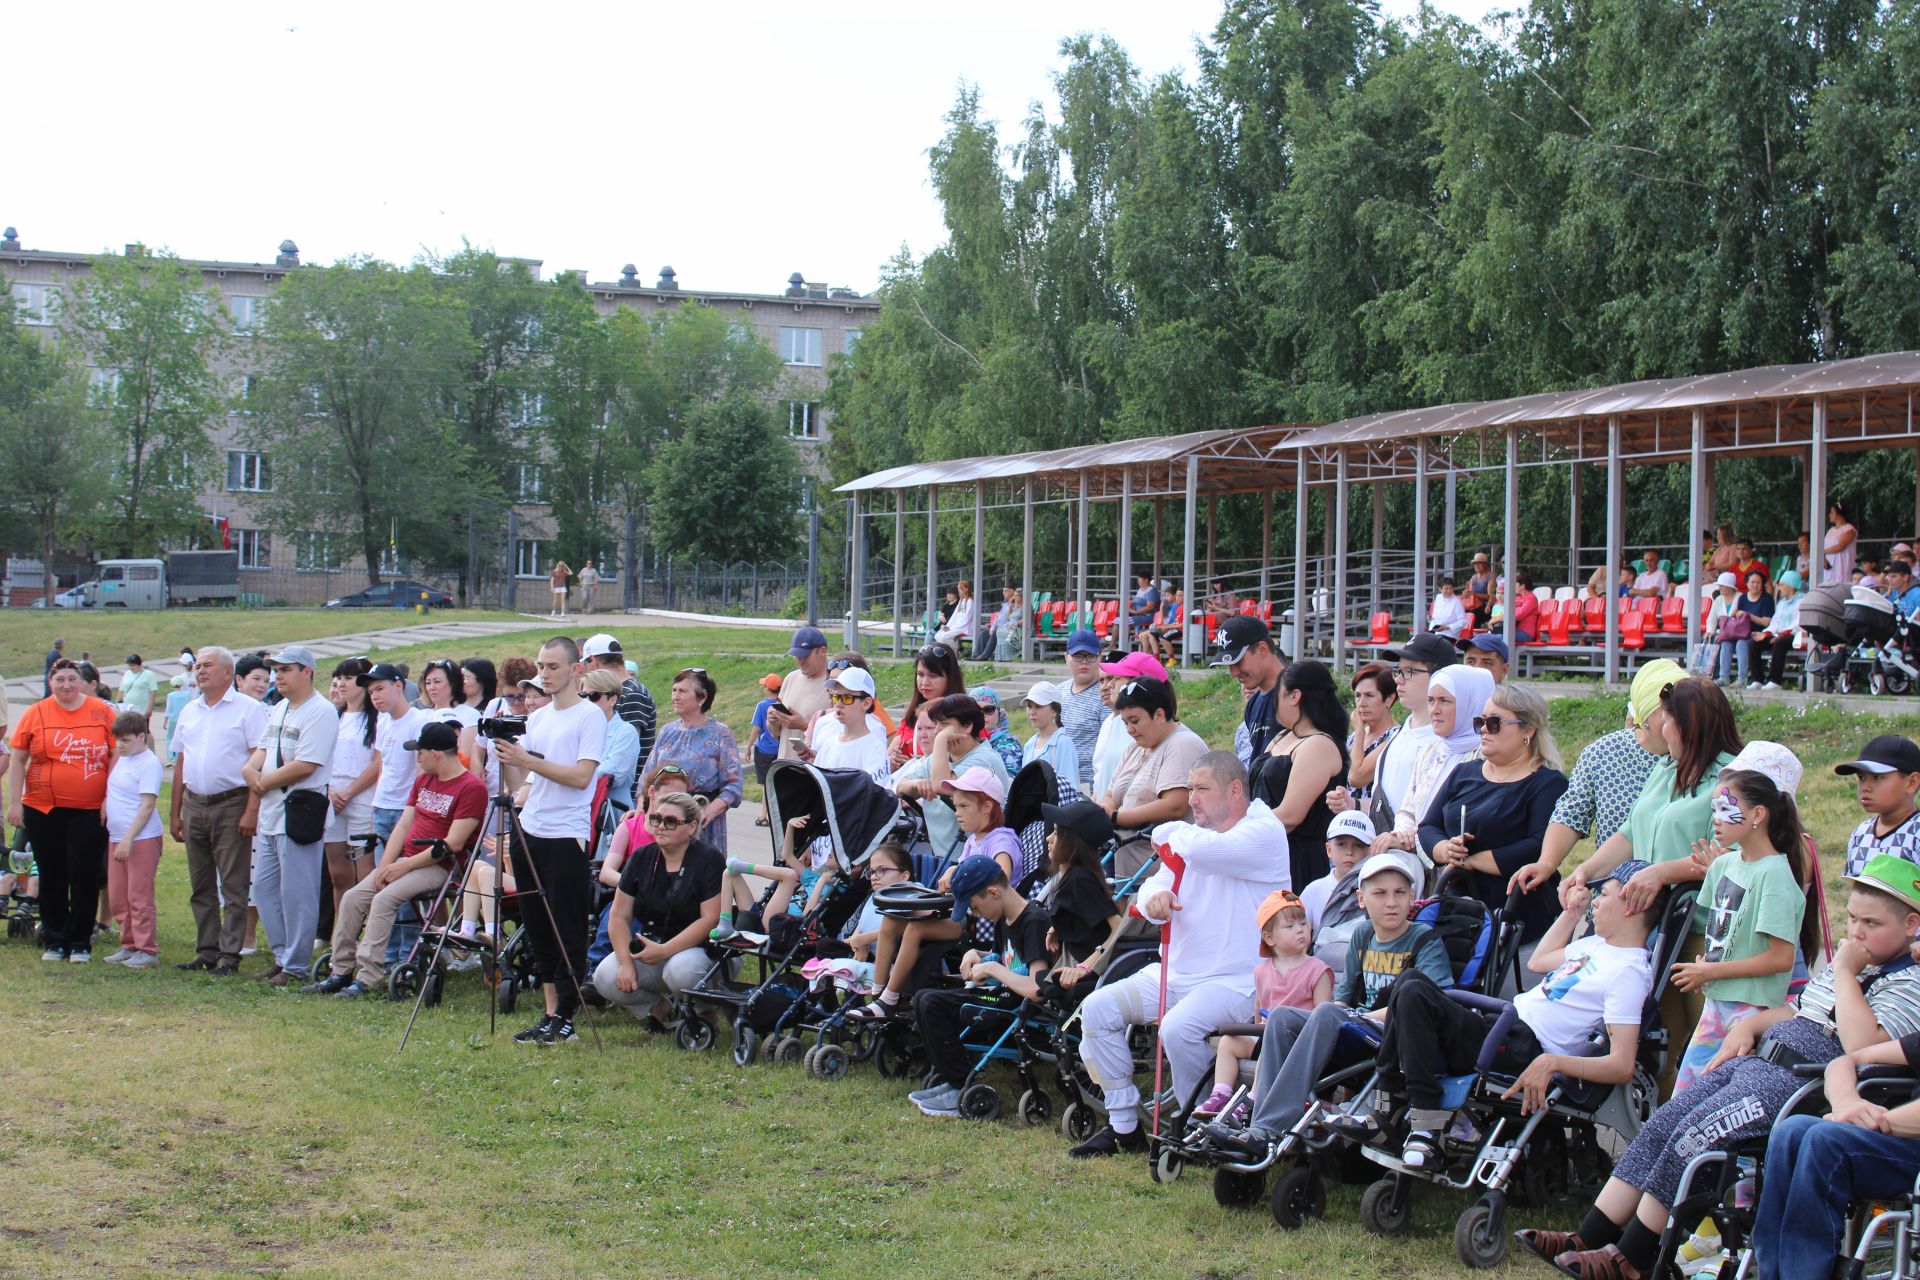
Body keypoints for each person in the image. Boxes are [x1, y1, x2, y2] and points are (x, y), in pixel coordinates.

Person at [1519, 860, 1920, 1280]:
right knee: (1666, 1123)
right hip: (1764, 1056)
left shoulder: (1904, 981)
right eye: (1853, 919)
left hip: (1804, 1080)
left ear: (1912, 924)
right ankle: (1590, 1234)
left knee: (1697, 1135)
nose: (1856, 932)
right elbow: (1801, 1010)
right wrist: (1749, 1024)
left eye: (1871, 923)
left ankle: (1633, 1256)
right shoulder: (1858, 967)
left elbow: (1860, 1045)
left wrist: (1843, 971)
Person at [1372, 860, 1657, 1173]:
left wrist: (1554, 1062)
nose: (1596, 902)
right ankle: (1390, 1107)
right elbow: (1538, 962)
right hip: (1504, 1028)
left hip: (1525, 1047)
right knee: (1407, 984)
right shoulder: (1596, 945)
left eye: (1604, 895)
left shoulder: (1629, 972)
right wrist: (1572, 914)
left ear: (1631, 905)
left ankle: (1420, 1125)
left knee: (1413, 989)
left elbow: (1621, 1064)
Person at [1071, 752, 1289, 1157]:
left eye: (1201, 789)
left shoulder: (1264, 832)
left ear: (1235, 790)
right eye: (1189, 789)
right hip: (1175, 973)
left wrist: (1168, 831)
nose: (1192, 800)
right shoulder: (1196, 836)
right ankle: (1124, 1126)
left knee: (1177, 1028)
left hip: (1237, 982)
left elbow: (1197, 847)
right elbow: (1157, 881)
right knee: (1097, 1008)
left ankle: (1197, 1128)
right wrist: (1158, 897)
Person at [1203, 851, 1454, 1163]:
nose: (1392, 902)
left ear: (1412, 897)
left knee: (1327, 1012)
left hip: (1394, 1032)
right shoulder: (1363, 935)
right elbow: (1343, 996)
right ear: (1362, 899)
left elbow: (1431, 1005)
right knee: (1281, 1016)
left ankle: (1268, 1129)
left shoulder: (1423, 940)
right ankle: (1258, 1126)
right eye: (1381, 893)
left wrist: (1348, 1015)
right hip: (1355, 1024)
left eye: (1400, 893)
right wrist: (1342, 1015)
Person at [1560, 671, 1742, 1096]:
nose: (1659, 724)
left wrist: (1662, 872)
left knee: (1706, 1039)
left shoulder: (1729, 777)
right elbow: (1628, 832)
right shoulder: (1665, 768)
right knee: (1660, 1036)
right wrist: (1586, 871)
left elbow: (1730, 855)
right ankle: (1659, 1132)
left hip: (1703, 930)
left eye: (1666, 716)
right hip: (1655, 928)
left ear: (1689, 723)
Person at [301, 721, 487, 998]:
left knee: (384, 899)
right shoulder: (424, 780)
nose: (417, 758)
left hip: (442, 866)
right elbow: (403, 825)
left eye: (420, 752)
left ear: (435, 753)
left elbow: (453, 843)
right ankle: (340, 970)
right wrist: (385, 866)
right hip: (406, 861)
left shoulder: (471, 788)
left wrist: (403, 865)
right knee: (353, 897)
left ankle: (368, 977)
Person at [1667, 764, 1812, 1090]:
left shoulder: (1773, 876)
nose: (1715, 818)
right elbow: (1722, 935)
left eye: (1725, 809)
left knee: (1717, 1100)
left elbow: (1780, 958)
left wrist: (1712, 972)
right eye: (1713, 810)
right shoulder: (1723, 866)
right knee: (1684, 1096)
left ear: (1758, 814)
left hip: (1751, 1010)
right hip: (1717, 1004)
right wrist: (1707, 965)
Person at [492, 637, 605, 1045]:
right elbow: (525, 781)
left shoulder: (589, 717)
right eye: (541, 666)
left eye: (553, 666)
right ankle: (549, 1011)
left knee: (565, 925)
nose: (544, 674)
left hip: (565, 833)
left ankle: (568, 1017)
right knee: (535, 923)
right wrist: (508, 758)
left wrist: (527, 761)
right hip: (531, 827)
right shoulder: (538, 719)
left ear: (576, 670)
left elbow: (580, 777)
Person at [1756, 1000, 1920, 1280]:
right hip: (1898, 1140)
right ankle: (1770, 1273)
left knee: (1825, 1139)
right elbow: (1847, 1060)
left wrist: (1868, 1123)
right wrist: (1846, 1103)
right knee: (1791, 1131)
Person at [1421, 683, 1569, 978]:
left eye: (1494, 723)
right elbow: (1429, 825)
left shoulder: (1548, 783)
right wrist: (1444, 849)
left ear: (1528, 731)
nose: (1484, 730)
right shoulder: (1465, 772)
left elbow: (1541, 845)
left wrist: (1473, 861)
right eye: (1480, 722)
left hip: (1517, 915)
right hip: (1457, 911)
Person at [853, 765, 1020, 1022]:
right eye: (956, 807)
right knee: (893, 916)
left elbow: (1001, 878)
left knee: (916, 928)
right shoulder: (975, 840)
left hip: (982, 920)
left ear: (987, 807)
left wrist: (957, 873)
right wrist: (955, 869)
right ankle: (879, 994)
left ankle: (890, 998)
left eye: (964, 807)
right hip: (962, 913)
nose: (957, 814)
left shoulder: (1001, 840)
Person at [906, 856, 1055, 1117]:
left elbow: (1037, 988)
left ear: (993, 892)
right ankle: (949, 1078)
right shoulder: (1005, 920)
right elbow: (1005, 958)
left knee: (932, 1003)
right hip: (1000, 994)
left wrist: (994, 969)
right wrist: (978, 955)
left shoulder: (1034, 921)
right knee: (923, 998)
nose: (975, 914)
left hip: (1018, 1005)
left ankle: (960, 1084)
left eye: (974, 906)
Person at [1508, 671, 1663, 901]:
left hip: (1675, 900)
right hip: (1613, 898)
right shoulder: (1605, 752)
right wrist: (1547, 863)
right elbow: (1571, 813)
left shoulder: (1697, 757)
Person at [168, 647, 269, 974]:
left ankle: (229, 954)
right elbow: (181, 762)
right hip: (195, 803)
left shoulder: (249, 710)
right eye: (197, 666)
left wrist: (252, 809)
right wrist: (175, 811)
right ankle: (206, 950)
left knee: (234, 883)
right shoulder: (190, 710)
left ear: (228, 673)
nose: (199, 671)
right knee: (201, 883)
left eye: (207, 665)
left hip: (232, 802)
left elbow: (260, 761)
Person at [1192, 890, 1334, 1120]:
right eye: (1290, 926)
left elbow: (1324, 1016)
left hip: (1299, 1042)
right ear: (1269, 938)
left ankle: (1254, 1099)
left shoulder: (1317, 970)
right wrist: (1257, 1028)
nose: (1300, 929)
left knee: (1268, 1044)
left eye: (1303, 922)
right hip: (1266, 1033)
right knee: (1228, 1043)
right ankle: (1220, 1096)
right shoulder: (1262, 971)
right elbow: (1259, 1010)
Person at [243, 646, 338, 986]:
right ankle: (282, 955)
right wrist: (249, 770)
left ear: (307, 672)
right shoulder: (280, 707)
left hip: (299, 810)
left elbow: (307, 764)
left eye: (286, 670)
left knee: (298, 892)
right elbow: (263, 749)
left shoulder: (320, 711)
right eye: (275, 670)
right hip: (271, 811)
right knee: (266, 889)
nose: (277, 676)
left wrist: (261, 781)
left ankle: (296, 965)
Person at [592, 790, 726, 1028]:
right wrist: (624, 962)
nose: (661, 826)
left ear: (692, 827)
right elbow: (619, 915)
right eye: (656, 819)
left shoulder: (709, 859)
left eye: (671, 821)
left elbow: (710, 920)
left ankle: (704, 1011)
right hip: (655, 946)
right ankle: (657, 1006)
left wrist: (664, 950)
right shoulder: (642, 856)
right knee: (604, 976)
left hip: (703, 951)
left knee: (680, 970)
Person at [1330, 634, 1457, 834]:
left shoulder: (1447, 742)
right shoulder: (1400, 734)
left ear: (1439, 676)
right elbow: (1388, 807)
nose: (1398, 679)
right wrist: (1353, 804)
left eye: (1409, 671)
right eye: (1399, 670)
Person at [1378, 663, 1497, 862]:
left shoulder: (1485, 758)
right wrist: (1402, 833)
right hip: (1417, 860)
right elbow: (1407, 809)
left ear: (1471, 704)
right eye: (1431, 701)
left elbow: (1465, 826)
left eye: (1445, 701)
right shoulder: (1430, 751)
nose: (1435, 710)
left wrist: (1414, 841)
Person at [1251, 660, 1348, 889]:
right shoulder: (1282, 736)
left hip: (1297, 860)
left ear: (1295, 696)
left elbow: (1291, 816)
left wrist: (1235, 829)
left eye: (1278, 694)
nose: (1272, 702)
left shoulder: (1318, 745)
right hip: (1266, 848)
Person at [1101, 676, 1210, 877]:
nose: (1129, 730)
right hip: (1125, 869)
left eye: (1135, 721)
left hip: (1159, 876)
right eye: (1125, 723)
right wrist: (1103, 812)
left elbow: (1175, 805)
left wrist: (1116, 818)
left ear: (1159, 714)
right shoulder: (1135, 747)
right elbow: (1110, 795)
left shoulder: (1183, 744)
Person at [638, 666, 740, 847]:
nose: (675, 696)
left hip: (700, 824)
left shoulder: (720, 734)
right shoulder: (667, 731)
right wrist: (640, 814)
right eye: (674, 690)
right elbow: (646, 778)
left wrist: (708, 811)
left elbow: (733, 787)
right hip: (663, 822)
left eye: (682, 691)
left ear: (702, 698)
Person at [100, 711, 164, 968]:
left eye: (125, 740)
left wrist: (128, 838)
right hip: (118, 836)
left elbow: (147, 806)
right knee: (118, 896)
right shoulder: (124, 759)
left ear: (141, 737)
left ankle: (147, 949)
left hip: (140, 839)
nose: (120, 745)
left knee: (139, 895)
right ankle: (129, 944)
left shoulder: (149, 763)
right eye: (117, 740)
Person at [323, 658, 380, 922]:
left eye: (349, 678)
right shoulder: (333, 716)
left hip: (362, 798)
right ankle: (343, 932)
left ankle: (369, 928)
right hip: (332, 797)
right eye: (339, 677)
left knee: (364, 871)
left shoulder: (376, 719)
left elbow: (377, 763)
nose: (342, 684)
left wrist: (349, 792)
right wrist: (332, 792)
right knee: (338, 873)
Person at [1300, 810, 1377, 976]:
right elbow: (1301, 941)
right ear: (1329, 849)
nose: (1350, 852)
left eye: (1359, 845)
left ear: (1371, 851)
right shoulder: (1313, 890)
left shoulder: (1378, 890)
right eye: (1341, 844)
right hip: (1322, 971)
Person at [1837, 733, 1920, 877]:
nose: (1866, 787)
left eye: (1877, 777)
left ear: (1911, 782)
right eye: (1862, 777)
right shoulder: (1860, 834)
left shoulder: (1916, 835)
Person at [1213, 615, 1285, 765]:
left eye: (1238, 662)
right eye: (1229, 665)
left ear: (1262, 649)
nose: (1233, 673)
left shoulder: (1297, 695)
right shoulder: (1253, 704)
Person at [581, 634, 656, 766]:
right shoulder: (629, 690)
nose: (584, 669)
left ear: (594, 660)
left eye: (586, 662)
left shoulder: (633, 693)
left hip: (628, 783)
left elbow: (627, 749)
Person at [888, 638, 963, 766]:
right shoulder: (912, 716)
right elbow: (888, 758)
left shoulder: (965, 717)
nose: (924, 682)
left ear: (950, 678)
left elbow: (966, 765)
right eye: (920, 674)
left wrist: (916, 765)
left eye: (933, 676)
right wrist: (893, 761)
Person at [768, 626, 832, 764]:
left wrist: (804, 726)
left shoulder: (835, 684)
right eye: (796, 656)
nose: (799, 661)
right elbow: (777, 734)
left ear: (822, 651)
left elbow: (842, 735)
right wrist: (773, 721)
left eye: (804, 656)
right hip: (786, 768)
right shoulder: (790, 678)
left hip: (817, 773)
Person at [1340, 663, 1400, 809]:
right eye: (1358, 696)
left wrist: (1360, 733)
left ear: (1389, 699)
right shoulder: (1357, 734)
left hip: (1373, 819)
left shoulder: (1396, 737)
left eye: (1369, 696)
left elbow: (1356, 778)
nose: (1361, 703)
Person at [583, 669, 640, 815]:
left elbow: (612, 774)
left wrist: (575, 775)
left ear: (612, 699)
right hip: (582, 811)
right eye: (583, 696)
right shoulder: (578, 730)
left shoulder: (626, 731)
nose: (587, 701)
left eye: (594, 696)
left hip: (612, 813)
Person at [418, 659, 481, 783]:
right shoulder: (421, 715)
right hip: (423, 783)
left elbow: (463, 757)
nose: (431, 688)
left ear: (453, 683)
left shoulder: (469, 715)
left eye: (437, 682)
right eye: (428, 683)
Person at [1059, 629, 1107, 789]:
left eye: (1090, 656)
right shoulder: (1057, 693)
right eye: (1078, 656)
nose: (1084, 662)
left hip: (1091, 786)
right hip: (1058, 783)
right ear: (1067, 657)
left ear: (1100, 657)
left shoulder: (1106, 695)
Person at [1718, 569, 1774, 687]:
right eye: (1752, 582)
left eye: (1758, 583)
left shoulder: (1767, 599)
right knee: (1726, 644)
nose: (1755, 585)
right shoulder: (1743, 597)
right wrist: (1736, 613)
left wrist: (1749, 616)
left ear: (1762, 585)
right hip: (1741, 632)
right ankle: (1724, 677)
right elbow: (1734, 614)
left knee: (1741, 644)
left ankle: (1742, 679)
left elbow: (1766, 622)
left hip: (1758, 633)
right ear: (1747, 584)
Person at [1750, 568, 1803, 690]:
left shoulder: (1801, 601)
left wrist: (1782, 634)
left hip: (1795, 634)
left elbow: (1798, 623)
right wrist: (1767, 633)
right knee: (1754, 643)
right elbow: (1776, 621)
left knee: (1779, 643)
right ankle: (1757, 679)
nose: (1779, 588)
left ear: (1791, 586)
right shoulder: (1782, 602)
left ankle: (1775, 680)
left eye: (1782, 585)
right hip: (1778, 633)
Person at [1019, 681, 1079, 783]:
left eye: (1038, 706)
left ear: (1054, 710)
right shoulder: (1029, 744)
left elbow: (1070, 786)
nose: (1032, 712)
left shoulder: (1063, 743)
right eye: (1029, 706)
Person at [749, 673, 782, 826]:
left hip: (764, 750)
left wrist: (749, 746)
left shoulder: (762, 705)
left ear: (767, 689)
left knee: (765, 784)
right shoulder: (782, 703)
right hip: (780, 748)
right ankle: (776, 813)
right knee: (778, 782)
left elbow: (756, 728)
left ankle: (763, 815)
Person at [1699, 571, 1742, 679]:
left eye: (1722, 586)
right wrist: (1710, 630)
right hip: (1723, 633)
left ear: (1729, 587)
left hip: (1737, 632)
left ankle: (1717, 674)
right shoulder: (1719, 599)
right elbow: (1712, 618)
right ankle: (1708, 672)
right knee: (1712, 639)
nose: (1720, 588)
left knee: (1719, 640)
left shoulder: (1740, 598)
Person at [972, 687, 1023, 776]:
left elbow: (1012, 780)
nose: (982, 715)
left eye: (988, 710)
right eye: (976, 710)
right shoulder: (965, 739)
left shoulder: (1008, 742)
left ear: (998, 712)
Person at [934, 578, 976, 652]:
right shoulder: (961, 601)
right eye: (958, 588)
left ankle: (957, 649)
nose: (958, 591)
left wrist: (953, 628)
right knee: (938, 635)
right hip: (955, 627)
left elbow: (966, 618)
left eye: (960, 589)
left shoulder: (970, 601)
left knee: (945, 636)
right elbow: (955, 616)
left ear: (966, 589)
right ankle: (948, 651)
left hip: (964, 628)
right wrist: (948, 627)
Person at [1825, 500, 1859, 583]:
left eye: (1832, 512)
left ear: (1838, 513)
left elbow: (1840, 546)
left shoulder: (1849, 529)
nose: (1829, 515)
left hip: (1842, 565)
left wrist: (1822, 552)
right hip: (1829, 566)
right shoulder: (1830, 530)